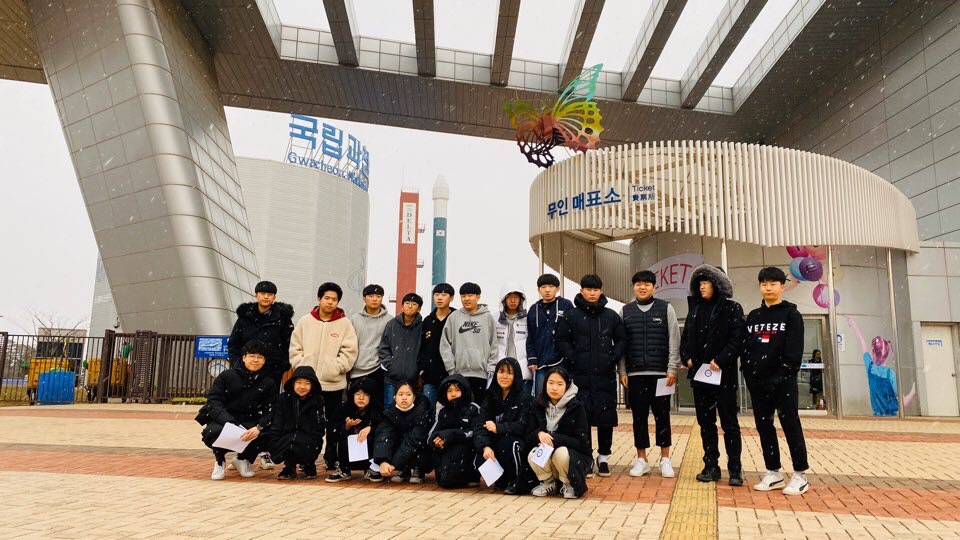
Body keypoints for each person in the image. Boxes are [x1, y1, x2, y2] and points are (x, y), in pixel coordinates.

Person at [742, 266, 809, 496]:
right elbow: (747, 348)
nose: (768, 288)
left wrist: (782, 376)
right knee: (764, 426)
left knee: (790, 425)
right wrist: (748, 373)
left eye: (773, 283)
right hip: (758, 383)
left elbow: (794, 352)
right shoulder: (754, 316)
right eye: (764, 284)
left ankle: (800, 474)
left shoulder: (791, 315)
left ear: (782, 286)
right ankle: (773, 472)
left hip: (783, 383)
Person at [554, 274, 626, 478]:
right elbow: (561, 340)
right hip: (579, 375)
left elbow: (622, 340)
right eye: (588, 289)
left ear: (601, 291)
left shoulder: (611, 316)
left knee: (605, 418)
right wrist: (574, 357)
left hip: (605, 375)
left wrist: (612, 357)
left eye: (596, 289)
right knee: (581, 419)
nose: (592, 293)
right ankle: (586, 458)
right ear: (581, 291)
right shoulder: (571, 315)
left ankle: (603, 458)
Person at [679, 264, 745, 486]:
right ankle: (711, 466)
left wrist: (721, 360)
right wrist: (687, 357)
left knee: (729, 424)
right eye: (699, 283)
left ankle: (735, 469)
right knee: (706, 424)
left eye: (706, 282)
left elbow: (737, 340)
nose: (702, 286)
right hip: (700, 376)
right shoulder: (695, 308)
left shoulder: (732, 308)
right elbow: (685, 338)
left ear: (717, 284)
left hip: (723, 376)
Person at [618, 270, 682, 478]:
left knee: (663, 416)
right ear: (634, 287)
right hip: (635, 374)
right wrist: (622, 370)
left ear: (655, 287)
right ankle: (641, 460)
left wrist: (672, 367)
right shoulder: (625, 311)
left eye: (647, 284)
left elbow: (674, 339)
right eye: (638, 284)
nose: (642, 287)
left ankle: (665, 459)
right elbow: (621, 344)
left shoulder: (666, 308)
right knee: (639, 418)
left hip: (661, 374)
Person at [225, 280, 294, 471]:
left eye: (270, 294)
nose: (266, 296)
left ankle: (264, 451)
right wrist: (238, 365)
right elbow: (233, 344)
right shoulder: (245, 317)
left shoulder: (282, 318)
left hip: (272, 373)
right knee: (245, 410)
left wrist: (282, 366)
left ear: (274, 297)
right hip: (245, 373)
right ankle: (242, 453)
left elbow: (289, 345)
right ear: (256, 295)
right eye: (262, 293)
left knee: (269, 411)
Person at [290, 282, 359, 471]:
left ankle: (331, 458)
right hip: (308, 385)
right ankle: (306, 459)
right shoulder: (305, 321)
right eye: (326, 298)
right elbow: (295, 348)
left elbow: (349, 351)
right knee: (307, 423)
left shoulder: (344, 324)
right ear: (319, 299)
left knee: (333, 424)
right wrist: (302, 366)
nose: (330, 302)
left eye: (334, 299)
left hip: (333, 384)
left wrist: (336, 367)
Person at [199, 340, 277, 480]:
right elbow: (213, 402)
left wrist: (259, 427)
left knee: (269, 434)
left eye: (260, 357)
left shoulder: (268, 382)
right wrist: (230, 422)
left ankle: (243, 459)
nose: (255, 360)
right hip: (226, 419)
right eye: (252, 356)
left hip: (251, 420)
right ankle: (219, 461)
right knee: (213, 433)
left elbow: (271, 409)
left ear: (264, 361)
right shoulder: (227, 376)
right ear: (244, 357)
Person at [526, 367, 591, 499]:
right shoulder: (538, 405)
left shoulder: (576, 407)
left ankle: (569, 483)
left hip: (572, 460)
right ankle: (549, 483)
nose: (554, 388)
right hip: (548, 460)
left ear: (567, 386)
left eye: (560, 384)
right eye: (551, 383)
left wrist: (554, 438)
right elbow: (528, 435)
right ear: (545, 384)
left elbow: (581, 443)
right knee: (534, 453)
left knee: (561, 452)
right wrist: (539, 434)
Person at [475, 357, 535, 495]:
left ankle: (518, 481)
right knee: (479, 453)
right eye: (501, 371)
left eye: (509, 373)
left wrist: (499, 428)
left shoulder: (524, 398)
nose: (504, 376)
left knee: (509, 444)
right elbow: (480, 425)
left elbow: (523, 426)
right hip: (494, 441)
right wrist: (485, 446)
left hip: (516, 442)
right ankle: (501, 479)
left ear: (516, 376)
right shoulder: (490, 397)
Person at [440, 282, 498, 404]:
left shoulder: (487, 318)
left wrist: (491, 369)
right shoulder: (454, 317)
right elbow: (444, 345)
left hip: (482, 375)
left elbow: (494, 345)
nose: (466, 299)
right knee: (459, 410)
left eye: (470, 295)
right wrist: (452, 370)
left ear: (478, 296)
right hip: (459, 375)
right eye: (463, 296)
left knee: (479, 409)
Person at [267, 365, 325, 480]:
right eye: (299, 382)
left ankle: (309, 465)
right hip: (287, 437)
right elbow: (277, 423)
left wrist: (316, 443)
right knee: (289, 441)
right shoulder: (283, 398)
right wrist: (274, 442)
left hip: (307, 438)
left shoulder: (318, 400)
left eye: (307, 383)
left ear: (312, 385)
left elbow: (319, 426)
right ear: (293, 383)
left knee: (304, 442)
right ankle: (289, 467)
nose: (302, 387)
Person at [372, 380, 435, 484]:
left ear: (414, 397)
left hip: (421, 448)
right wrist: (383, 461)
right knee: (389, 436)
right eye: (400, 394)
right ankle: (403, 468)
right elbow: (384, 435)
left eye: (408, 394)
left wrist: (394, 464)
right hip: (403, 449)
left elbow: (415, 439)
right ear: (395, 397)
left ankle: (418, 469)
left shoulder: (423, 409)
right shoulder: (391, 411)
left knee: (419, 440)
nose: (404, 398)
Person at [429, 374, 483, 488]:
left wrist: (450, 435)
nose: (453, 394)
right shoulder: (443, 411)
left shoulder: (473, 408)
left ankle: (469, 476)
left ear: (464, 391)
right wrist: (437, 440)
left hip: (466, 450)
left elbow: (474, 432)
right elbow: (432, 433)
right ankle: (447, 476)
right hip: (447, 450)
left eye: (457, 390)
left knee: (464, 446)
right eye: (449, 391)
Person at [326, 377, 384, 482]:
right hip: (347, 449)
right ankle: (344, 470)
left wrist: (371, 428)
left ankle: (371, 469)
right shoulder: (343, 408)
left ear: (371, 396)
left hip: (368, 448)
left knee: (376, 438)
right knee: (341, 438)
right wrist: (347, 426)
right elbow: (331, 432)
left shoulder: (377, 410)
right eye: (357, 394)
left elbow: (385, 429)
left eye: (366, 394)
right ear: (352, 395)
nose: (361, 398)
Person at [526, 273, 574, 396]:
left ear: (558, 289)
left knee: (563, 397)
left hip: (562, 362)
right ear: (538, 290)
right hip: (541, 363)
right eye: (543, 287)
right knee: (540, 398)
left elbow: (574, 332)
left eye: (551, 286)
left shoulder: (566, 305)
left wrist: (570, 355)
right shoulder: (533, 309)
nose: (547, 290)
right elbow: (530, 337)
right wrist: (532, 358)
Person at [380, 293, 424, 407]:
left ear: (419, 308)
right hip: (392, 378)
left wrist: (418, 370)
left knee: (412, 409)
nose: (410, 306)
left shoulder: (423, 327)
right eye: (407, 303)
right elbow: (384, 348)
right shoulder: (391, 325)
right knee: (389, 408)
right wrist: (391, 366)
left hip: (413, 379)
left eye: (414, 304)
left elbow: (425, 351)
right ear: (402, 306)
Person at [349, 284, 391, 401]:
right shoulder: (354, 319)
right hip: (356, 369)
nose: (374, 299)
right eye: (371, 296)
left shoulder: (389, 320)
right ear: (364, 298)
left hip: (378, 369)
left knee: (376, 403)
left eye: (378, 296)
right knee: (357, 403)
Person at [419, 283, 455, 408]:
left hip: (450, 373)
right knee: (427, 409)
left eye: (444, 295)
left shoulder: (456, 318)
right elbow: (422, 347)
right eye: (437, 294)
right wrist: (422, 368)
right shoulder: (428, 320)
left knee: (452, 409)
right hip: (430, 376)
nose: (439, 298)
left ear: (451, 298)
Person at [495, 283, 532, 396]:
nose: (512, 300)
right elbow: (491, 344)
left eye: (516, 297)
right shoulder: (494, 318)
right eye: (509, 297)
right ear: (503, 299)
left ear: (521, 299)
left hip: (523, 370)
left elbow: (532, 342)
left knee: (523, 401)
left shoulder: (528, 318)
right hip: (501, 370)